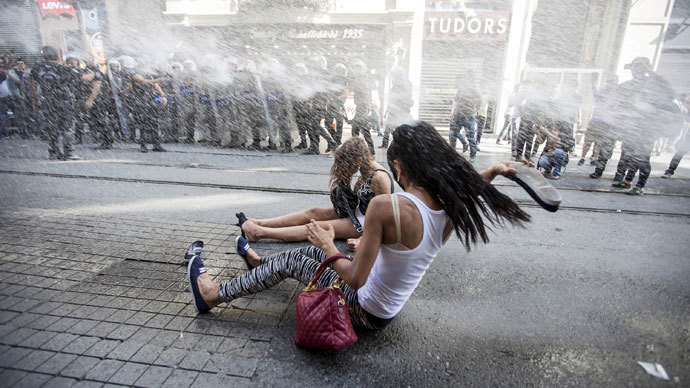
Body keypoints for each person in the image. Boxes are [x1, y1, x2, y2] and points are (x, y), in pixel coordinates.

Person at [187, 121, 530, 331]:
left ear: (398, 165)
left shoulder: (386, 206)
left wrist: (328, 243)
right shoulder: (453, 206)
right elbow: (471, 186)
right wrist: (494, 172)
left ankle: (213, 295)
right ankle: (260, 266)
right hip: (387, 310)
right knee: (305, 253)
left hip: (362, 311)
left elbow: (355, 279)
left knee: (298, 258)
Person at [237, 137, 392, 246]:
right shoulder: (365, 168)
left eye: (346, 164)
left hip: (366, 224)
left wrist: (363, 240)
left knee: (315, 227)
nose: (344, 169)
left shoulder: (379, 178)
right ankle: (260, 222)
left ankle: (259, 232)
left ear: (359, 160)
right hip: (357, 212)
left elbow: (387, 219)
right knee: (313, 211)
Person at [611, 57, 677, 195]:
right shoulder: (636, 84)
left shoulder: (654, 83)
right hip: (634, 127)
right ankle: (628, 181)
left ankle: (640, 187)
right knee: (632, 155)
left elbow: (669, 89)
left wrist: (649, 71)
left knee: (643, 158)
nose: (635, 70)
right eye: (634, 67)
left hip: (648, 129)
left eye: (638, 67)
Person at [30, 46, 86, 160]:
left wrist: (35, 100)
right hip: (64, 100)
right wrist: (92, 72)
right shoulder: (61, 68)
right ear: (56, 55)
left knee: (52, 127)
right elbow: (83, 77)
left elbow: (32, 85)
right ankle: (69, 152)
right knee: (68, 127)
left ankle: (53, 152)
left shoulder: (36, 68)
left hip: (49, 101)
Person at [380, 66, 413, 149]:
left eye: (396, 75)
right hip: (394, 110)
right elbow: (391, 98)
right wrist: (387, 110)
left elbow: (407, 97)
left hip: (402, 110)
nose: (395, 78)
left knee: (400, 127)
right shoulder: (395, 84)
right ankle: (386, 143)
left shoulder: (407, 83)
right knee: (388, 127)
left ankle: (402, 143)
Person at [449, 79, 480, 161]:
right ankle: (452, 154)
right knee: (452, 135)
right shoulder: (460, 90)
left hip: (469, 117)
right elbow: (457, 102)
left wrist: (469, 100)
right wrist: (453, 115)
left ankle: (473, 155)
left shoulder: (474, 90)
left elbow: (479, 100)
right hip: (458, 116)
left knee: (470, 137)